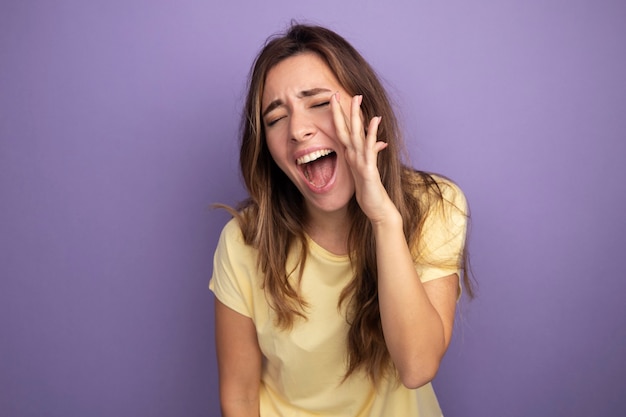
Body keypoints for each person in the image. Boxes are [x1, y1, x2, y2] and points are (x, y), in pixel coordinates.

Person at [209, 23, 473, 417]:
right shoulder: (242, 241)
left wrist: (384, 218)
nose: (298, 129)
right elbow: (241, 396)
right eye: (276, 118)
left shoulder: (436, 205)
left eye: (317, 103)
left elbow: (417, 366)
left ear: (363, 110)